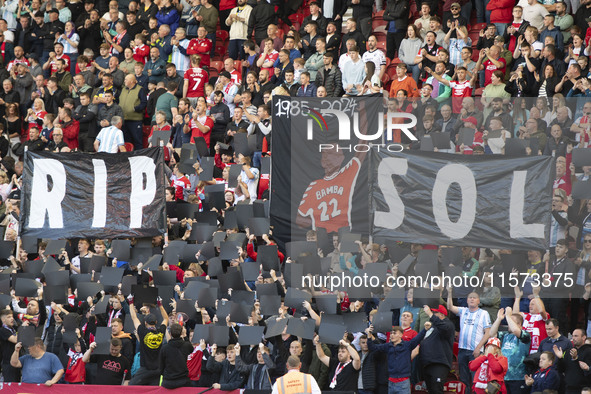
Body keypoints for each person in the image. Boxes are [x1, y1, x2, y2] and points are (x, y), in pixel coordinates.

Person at [365, 324, 425, 393]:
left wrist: (425, 329)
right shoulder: (388, 346)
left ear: (401, 335)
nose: (392, 335)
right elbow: (373, 348)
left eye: (394, 333)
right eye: (391, 333)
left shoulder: (407, 345)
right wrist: (369, 335)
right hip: (391, 382)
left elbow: (418, 338)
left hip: (403, 382)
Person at [127, 295, 169, 385]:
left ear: (145, 323)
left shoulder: (142, 331)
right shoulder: (161, 331)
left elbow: (134, 317)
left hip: (145, 369)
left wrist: (130, 302)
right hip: (157, 369)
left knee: (131, 387)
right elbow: (166, 318)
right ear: (156, 322)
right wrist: (160, 304)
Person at [420, 305, 455, 394]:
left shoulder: (448, 324)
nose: (433, 314)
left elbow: (444, 328)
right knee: (431, 391)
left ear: (442, 315)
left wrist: (430, 315)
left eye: (435, 312)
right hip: (427, 363)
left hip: (439, 363)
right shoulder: (433, 327)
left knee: (436, 390)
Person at [159, 323, 193, 388]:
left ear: (171, 334)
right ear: (181, 333)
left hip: (168, 382)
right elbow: (191, 348)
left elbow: (161, 367)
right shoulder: (186, 346)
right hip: (183, 381)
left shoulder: (165, 348)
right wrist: (185, 335)